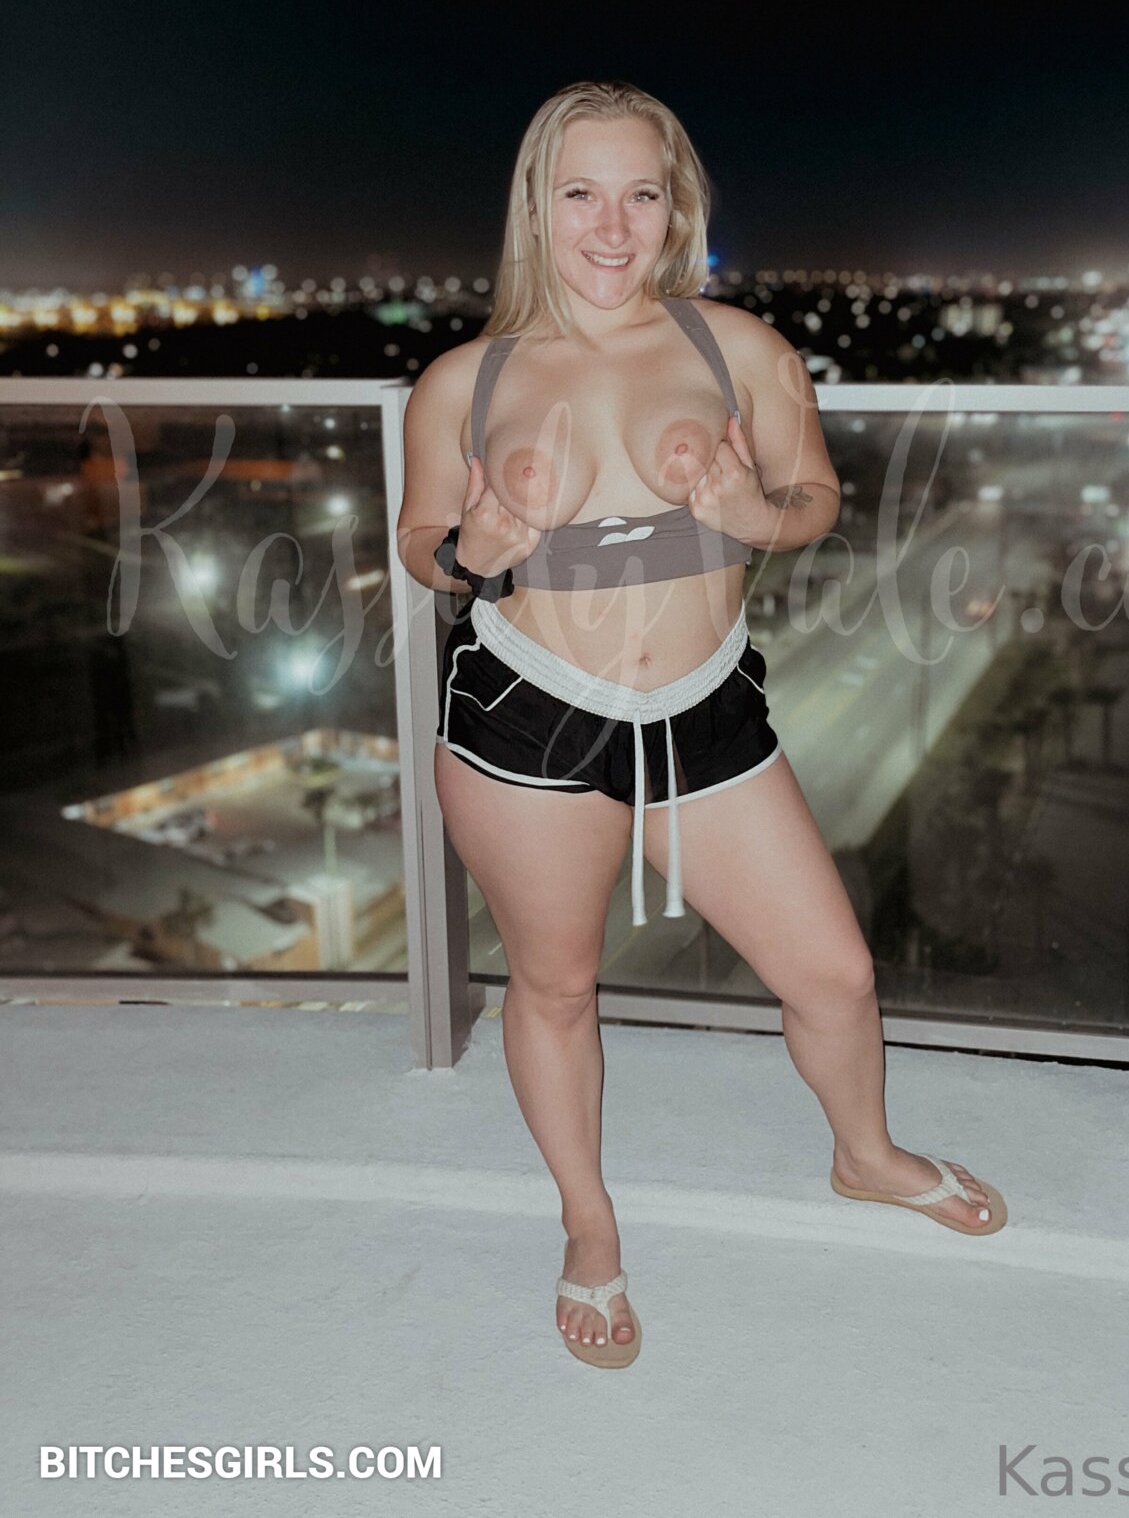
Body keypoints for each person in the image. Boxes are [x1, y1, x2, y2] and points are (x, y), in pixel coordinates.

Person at [397, 81, 1007, 1369]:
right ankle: (588, 1223)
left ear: (677, 209)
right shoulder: (463, 378)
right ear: (536, 207)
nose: (613, 227)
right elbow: (420, 543)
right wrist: (474, 548)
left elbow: (815, 500)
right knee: (556, 986)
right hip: (524, 722)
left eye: (642, 194)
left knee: (835, 974)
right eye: (581, 193)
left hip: (705, 711)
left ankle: (865, 1155)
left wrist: (752, 516)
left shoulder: (742, 349)